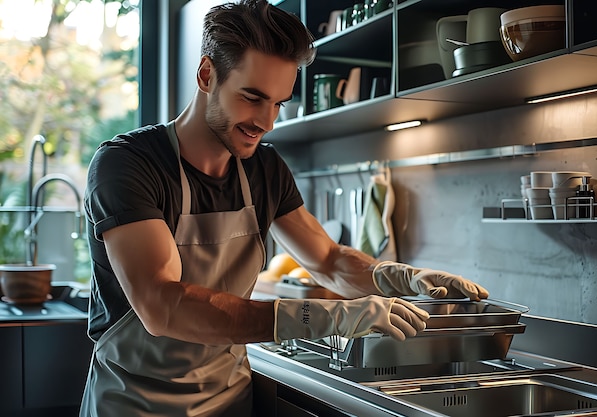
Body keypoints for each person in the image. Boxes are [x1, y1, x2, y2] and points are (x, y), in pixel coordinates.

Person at [79, 1, 489, 416]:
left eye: (278, 103)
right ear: (207, 75)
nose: (267, 121)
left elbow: (328, 261)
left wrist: (400, 278)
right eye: (253, 98)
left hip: (228, 403)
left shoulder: (265, 168)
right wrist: (326, 316)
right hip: (134, 405)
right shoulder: (127, 164)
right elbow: (163, 306)